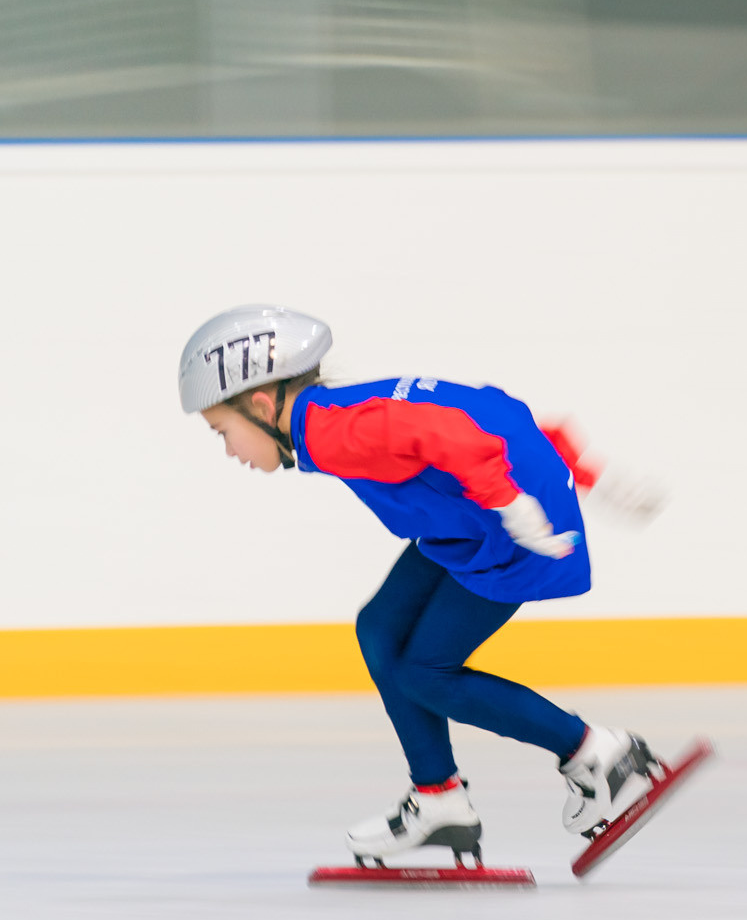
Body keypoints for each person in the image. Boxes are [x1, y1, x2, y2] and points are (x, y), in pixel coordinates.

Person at [179, 305, 663, 865]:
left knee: (425, 673)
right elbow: (490, 410)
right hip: (472, 520)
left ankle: (598, 755)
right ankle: (438, 800)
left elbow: (456, 433)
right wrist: (585, 470)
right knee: (380, 629)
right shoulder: (334, 411)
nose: (229, 451)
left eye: (223, 432)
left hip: (509, 529)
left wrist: (511, 500)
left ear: (263, 407)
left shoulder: (333, 431)